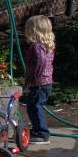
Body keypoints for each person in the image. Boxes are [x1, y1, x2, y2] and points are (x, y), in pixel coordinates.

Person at [24, 15, 55, 145]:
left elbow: (40, 62)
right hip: (46, 82)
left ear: (34, 30)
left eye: (27, 28)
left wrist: (32, 79)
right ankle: (37, 130)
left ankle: (42, 134)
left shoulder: (36, 47)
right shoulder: (47, 45)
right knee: (35, 106)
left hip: (39, 84)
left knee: (35, 107)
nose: (25, 30)